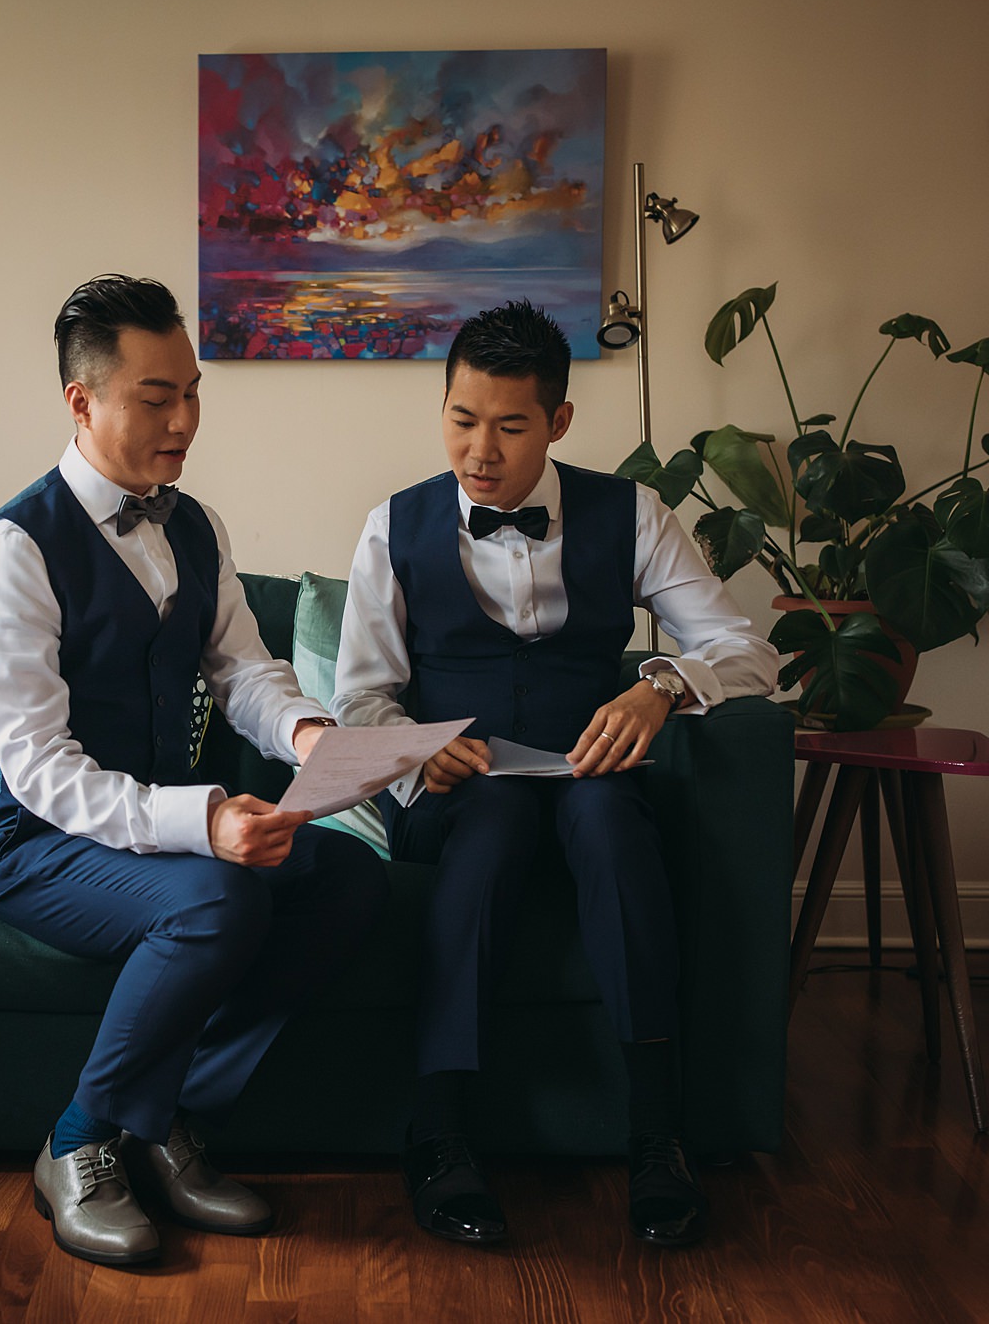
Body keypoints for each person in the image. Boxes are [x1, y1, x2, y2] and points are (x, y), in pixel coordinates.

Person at [0, 274, 389, 1268]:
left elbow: (241, 670)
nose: (185, 419)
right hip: (37, 841)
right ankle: (76, 1142)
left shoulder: (193, 525)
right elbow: (37, 769)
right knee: (218, 902)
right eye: (157, 398)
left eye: (191, 391)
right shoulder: (16, 547)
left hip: (147, 827)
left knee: (349, 880)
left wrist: (311, 736)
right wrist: (204, 823)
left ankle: (158, 1116)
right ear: (82, 401)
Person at [331, 299, 779, 1249]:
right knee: (494, 821)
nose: (478, 451)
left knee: (613, 825)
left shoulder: (633, 513)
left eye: (509, 424)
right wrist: (418, 749)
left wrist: (661, 685)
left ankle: (659, 1135)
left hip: (587, 780)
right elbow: (361, 705)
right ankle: (441, 1132)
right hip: (453, 798)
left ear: (560, 422)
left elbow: (748, 650)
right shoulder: (393, 528)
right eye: (461, 418)